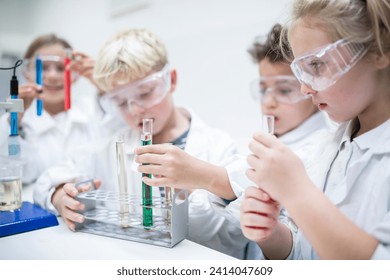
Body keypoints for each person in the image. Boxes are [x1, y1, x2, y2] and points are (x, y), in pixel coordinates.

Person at [33, 28, 248, 259]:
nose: (135, 109)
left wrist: (201, 179)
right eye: (120, 102)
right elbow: (47, 179)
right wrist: (59, 195)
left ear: (171, 80)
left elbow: (231, 235)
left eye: (145, 93)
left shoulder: (217, 146)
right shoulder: (113, 145)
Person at [135, 23, 332, 259]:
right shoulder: (272, 139)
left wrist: (203, 175)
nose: (268, 102)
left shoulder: (319, 149)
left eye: (284, 89)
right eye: (263, 88)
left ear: (309, 86)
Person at [240, 0, 390, 259]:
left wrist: (296, 191)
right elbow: (307, 253)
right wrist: (272, 235)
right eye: (301, 72)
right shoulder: (331, 148)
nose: (305, 88)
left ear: (379, 50)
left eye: (316, 65)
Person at [0, 34, 120, 184]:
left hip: (91, 205)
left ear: (75, 75)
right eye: (42, 68)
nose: (52, 76)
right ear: (26, 73)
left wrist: (105, 87)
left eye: (61, 68)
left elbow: (124, 136)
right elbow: (7, 174)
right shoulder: (16, 122)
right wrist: (13, 123)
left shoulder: (95, 110)